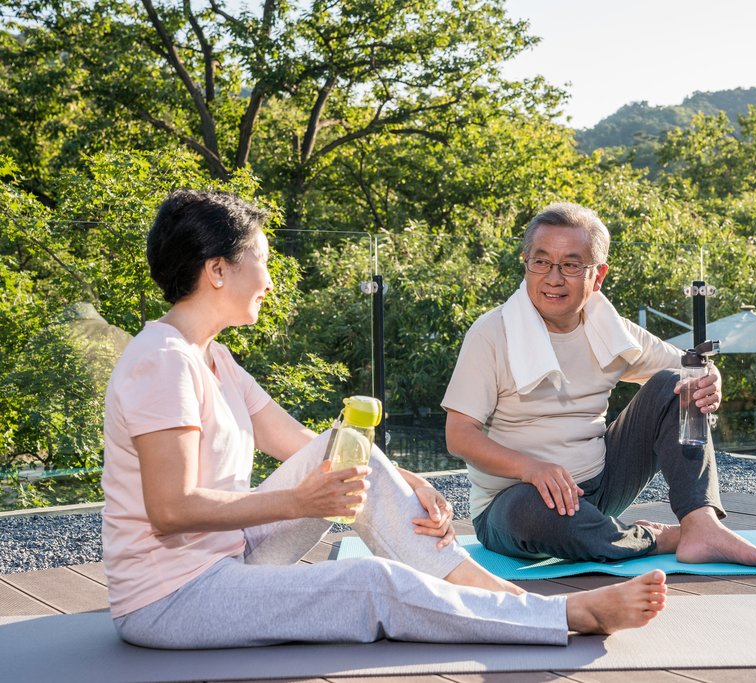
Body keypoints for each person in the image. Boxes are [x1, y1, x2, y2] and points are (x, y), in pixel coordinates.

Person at [101, 189, 668, 650]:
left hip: (225, 556)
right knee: (369, 584)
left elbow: (306, 444)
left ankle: (520, 605)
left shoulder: (212, 357)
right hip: (172, 597)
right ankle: (560, 618)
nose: (270, 280)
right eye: (263, 263)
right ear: (218, 271)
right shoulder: (163, 364)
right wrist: (301, 504)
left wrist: (402, 480)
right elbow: (171, 511)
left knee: (350, 450)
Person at [443, 202, 756, 569]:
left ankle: (700, 523)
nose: (553, 278)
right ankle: (663, 538)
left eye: (571, 265)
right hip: (514, 501)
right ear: (525, 263)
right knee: (534, 514)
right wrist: (531, 468)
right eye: (541, 262)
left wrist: (709, 378)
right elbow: (459, 435)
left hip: (601, 485)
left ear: (598, 275)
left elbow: (691, 368)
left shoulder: (609, 329)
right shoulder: (490, 334)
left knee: (677, 385)